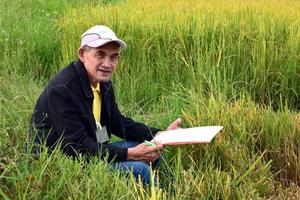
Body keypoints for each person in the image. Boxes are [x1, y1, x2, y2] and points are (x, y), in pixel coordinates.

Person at [29, 25, 182, 185]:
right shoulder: (63, 90)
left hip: (93, 150)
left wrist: (159, 135)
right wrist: (129, 154)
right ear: (82, 54)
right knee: (141, 170)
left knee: (152, 149)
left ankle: (156, 191)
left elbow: (117, 122)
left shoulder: (103, 83)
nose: (107, 64)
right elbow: (77, 146)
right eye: (100, 55)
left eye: (113, 57)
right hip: (65, 163)